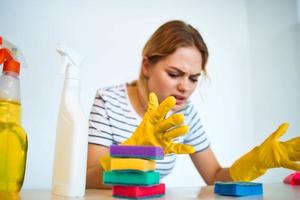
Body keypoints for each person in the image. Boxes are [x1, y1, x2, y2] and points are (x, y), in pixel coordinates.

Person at [86, 20, 300, 189]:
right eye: (174, 74)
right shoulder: (109, 101)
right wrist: (133, 152)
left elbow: (214, 177)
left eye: (193, 78)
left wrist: (256, 161)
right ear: (146, 66)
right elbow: (87, 178)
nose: (185, 87)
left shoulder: (185, 113)